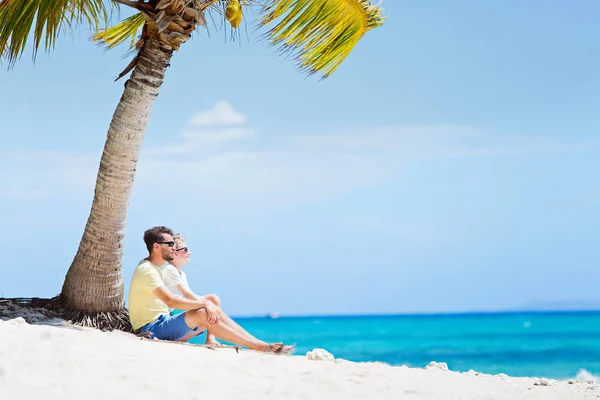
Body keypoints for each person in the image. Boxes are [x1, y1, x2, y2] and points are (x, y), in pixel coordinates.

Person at [127, 225, 292, 354]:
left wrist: (207, 304)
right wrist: (205, 305)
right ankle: (258, 346)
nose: (173, 247)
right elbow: (171, 300)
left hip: (162, 322)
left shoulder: (155, 268)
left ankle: (259, 344)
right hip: (150, 329)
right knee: (204, 312)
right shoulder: (147, 270)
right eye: (170, 244)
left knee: (210, 308)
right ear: (156, 246)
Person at [162, 233, 262, 346]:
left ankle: (211, 339)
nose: (189, 253)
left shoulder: (181, 274)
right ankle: (254, 343)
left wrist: (208, 304)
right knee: (212, 307)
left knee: (213, 299)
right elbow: (187, 295)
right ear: (175, 252)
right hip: (175, 313)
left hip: (182, 310)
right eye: (185, 250)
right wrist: (207, 305)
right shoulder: (170, 270)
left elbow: (189, 295)